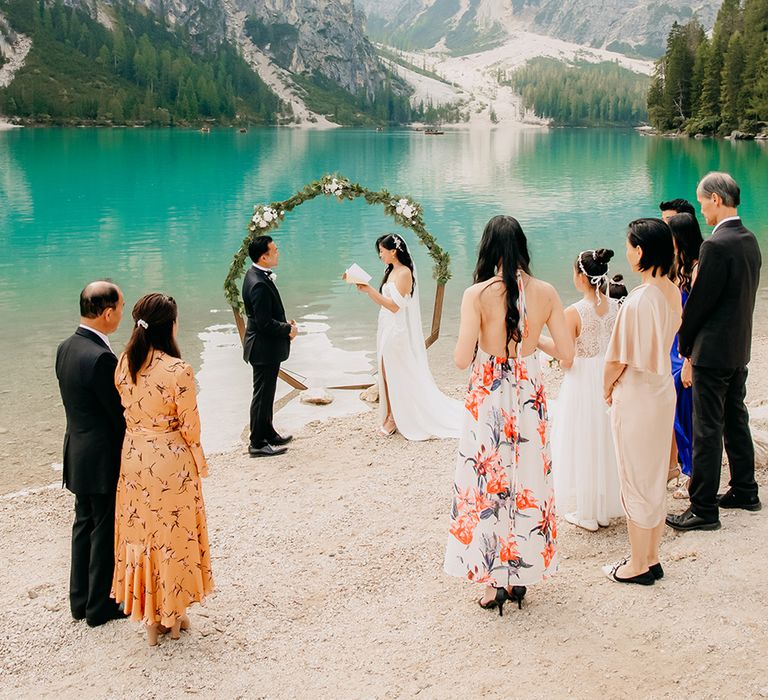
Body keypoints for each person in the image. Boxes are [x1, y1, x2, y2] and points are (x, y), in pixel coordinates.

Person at [444, 216, 573, 614]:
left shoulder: (476, 294)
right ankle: (520, 576)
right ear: (523, 247)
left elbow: (462, 358)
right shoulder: (548, 291)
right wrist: (530, 342)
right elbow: (568, 355)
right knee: (528, 479)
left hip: (489, 397)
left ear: (487, 249)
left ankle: (492, 580)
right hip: (529, 393)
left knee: (488, 484)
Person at [112, 293, 214, 646]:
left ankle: (151, 618)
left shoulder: (124, 362)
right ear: (170, 325)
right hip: (169, 460)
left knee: (141, 534)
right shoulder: (178, 370)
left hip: (135, 456)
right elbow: (191, 426)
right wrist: (199, 459)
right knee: (174, 536)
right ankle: (174, 612)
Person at [667, 172, 762, 532]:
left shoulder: (716, 246)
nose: (702, 208)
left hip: (712, 352)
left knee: (707, 428)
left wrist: (685, 348)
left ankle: (703, 507)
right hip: (739, 347)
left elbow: (698, 307)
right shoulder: (749, 240)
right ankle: (745, 489)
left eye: (703, 201)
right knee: (736, 419)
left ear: (717, 200)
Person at [603, 219, 681, 585]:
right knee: (652, 476)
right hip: (662, 389)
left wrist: (606, 388)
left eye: (631, 245)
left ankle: (638, 564)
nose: (629, 251)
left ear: (642, 250)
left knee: (634, 476)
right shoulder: (671, 291)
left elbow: (618, 359)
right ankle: (651, 555)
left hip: (637, 393)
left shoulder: (638, 300)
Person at [55, 281, 126, 627]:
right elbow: (118, 414)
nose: (121, 316)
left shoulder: (66, 347)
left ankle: (79, 599)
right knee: (102, 528)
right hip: (100, 457)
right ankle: (100, 606)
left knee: (83, 525)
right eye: (121, 309)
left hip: (77, 451)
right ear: (108, 312)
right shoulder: (101, 358)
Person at [353, 233, 462, 440]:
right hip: (385, 326)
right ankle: (391, 413)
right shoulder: (392, 270)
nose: (380, 255)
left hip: (396, 330)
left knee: (396, 372)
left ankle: (395, 417)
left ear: (393, 251)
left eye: (382, 251)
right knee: (385, 372)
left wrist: (369, 291)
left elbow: (395, 306)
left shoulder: (404, 273)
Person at [549, 249, 623, 532]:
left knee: (583, 440)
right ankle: (602, 509)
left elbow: (566, 357)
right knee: (605, 439)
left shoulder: (574, 312)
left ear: (581, 278)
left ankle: (588, 512)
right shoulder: (617, 307)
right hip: (607, 376)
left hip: (582, 380)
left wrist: (541, 343)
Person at [242, 236, 298, 458]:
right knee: (262, 395)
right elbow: (264, 323)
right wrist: (287, 330)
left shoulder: (256, 275)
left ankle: (268, 432)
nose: (278, 252)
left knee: (268, 393)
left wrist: (285, 326)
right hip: (262, 348)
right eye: (275, 250)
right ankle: (256, 442)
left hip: (266, 346)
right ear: (263, 257)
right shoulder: (258, 284)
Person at [666, 213, 704, 500]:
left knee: (684, 405)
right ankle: (677, 464)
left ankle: (690, 469)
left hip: (685, 347)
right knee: (671, 403)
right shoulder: (675, 267)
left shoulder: (696, 268)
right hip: (673, 344)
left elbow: (697, 315)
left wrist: (689, 358)